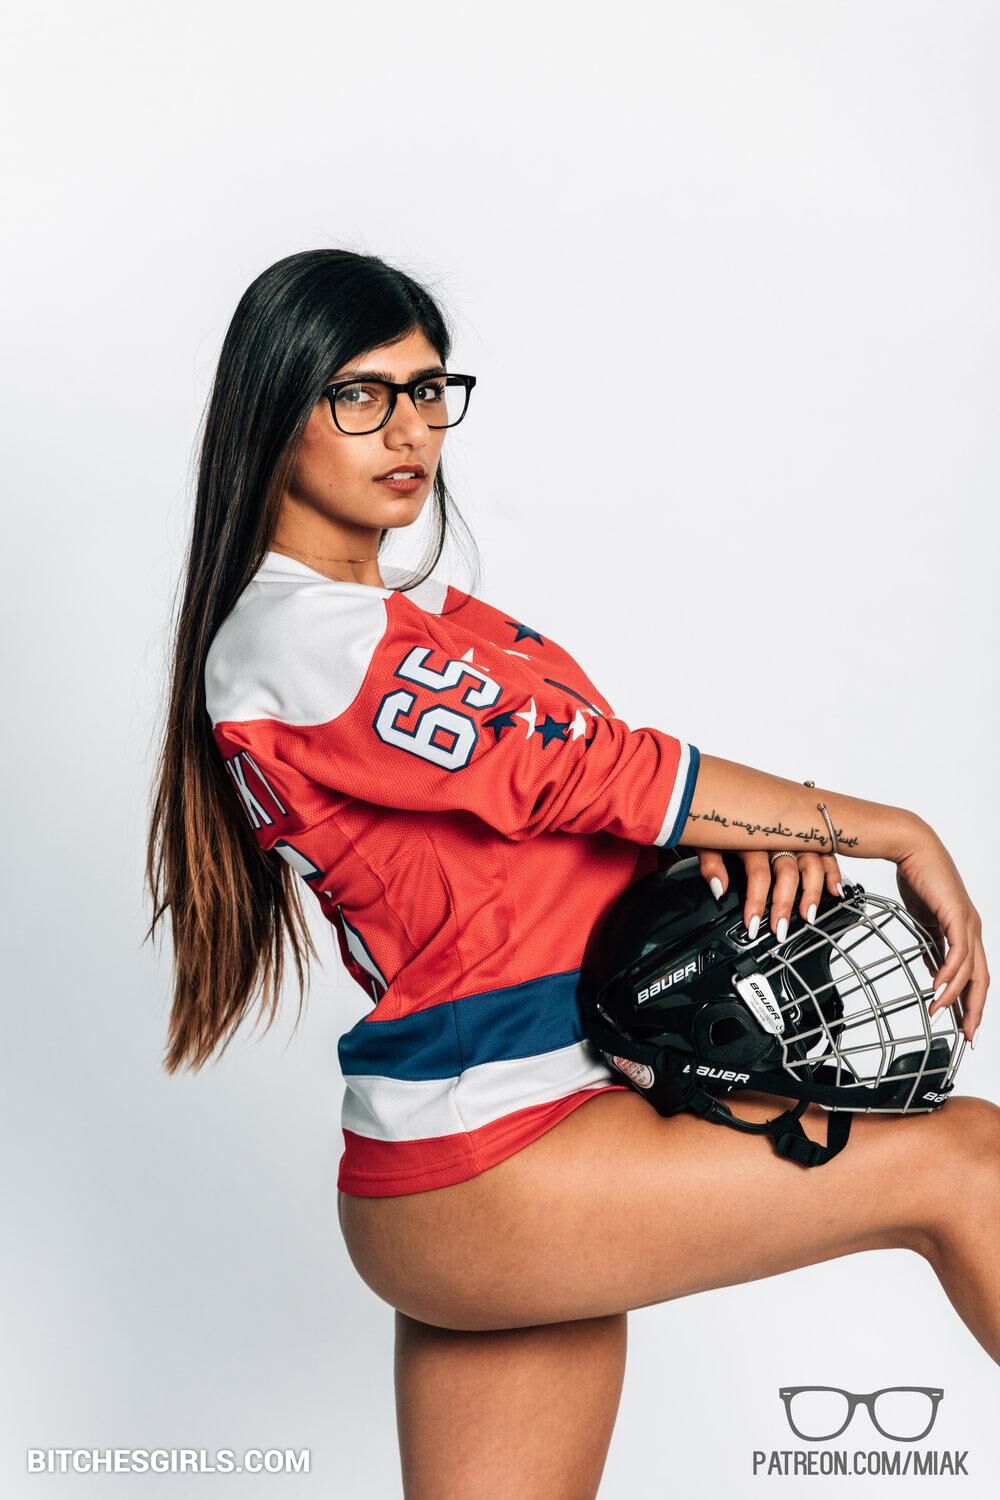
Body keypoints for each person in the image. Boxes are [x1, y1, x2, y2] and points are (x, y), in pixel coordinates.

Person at [146, 247, 997, 1500]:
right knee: (964, 1163)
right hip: (499, 1155)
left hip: (512, 1155)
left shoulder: (432, 626)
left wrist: (725, 836)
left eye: (428, 389)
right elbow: (581, 773)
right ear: (275, 410)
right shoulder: (302, 638)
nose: (410, 429)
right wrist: (889, 829)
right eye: (360, 394)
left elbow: (587, 806)